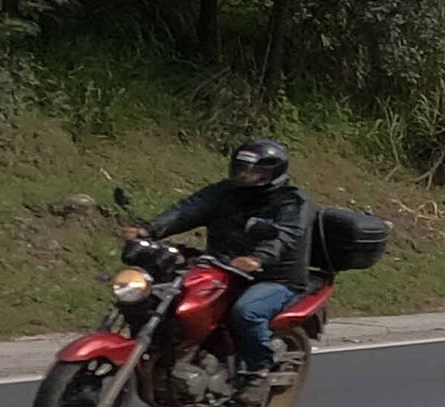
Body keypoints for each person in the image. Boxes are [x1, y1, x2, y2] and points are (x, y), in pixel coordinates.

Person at [127, 138, 313, 388]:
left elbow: (285, 235)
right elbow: (188, 210)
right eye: (241, 168)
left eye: (254, 170)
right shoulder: (224, 191)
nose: (245, 174)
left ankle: (259, 368)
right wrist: (149, 229)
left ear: (273, 172)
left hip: (273, 276)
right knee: (159, 295)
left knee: (247, 313)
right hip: (222, 267)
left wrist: (258, 258)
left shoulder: (291, 202)